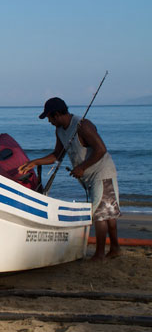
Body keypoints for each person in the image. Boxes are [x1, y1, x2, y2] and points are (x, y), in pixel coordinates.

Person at [18, 97, 121, 261]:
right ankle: (115, 248)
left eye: (50, 118)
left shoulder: (83, 126)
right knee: (108, 212)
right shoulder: (59, 131)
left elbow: (101, 149)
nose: (49, 122)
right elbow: (57, 155)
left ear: (57, 114)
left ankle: (100, 253)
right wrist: (35, 162)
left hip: (102, 172)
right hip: (89, 175)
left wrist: (82, 167)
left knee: (100, 214)